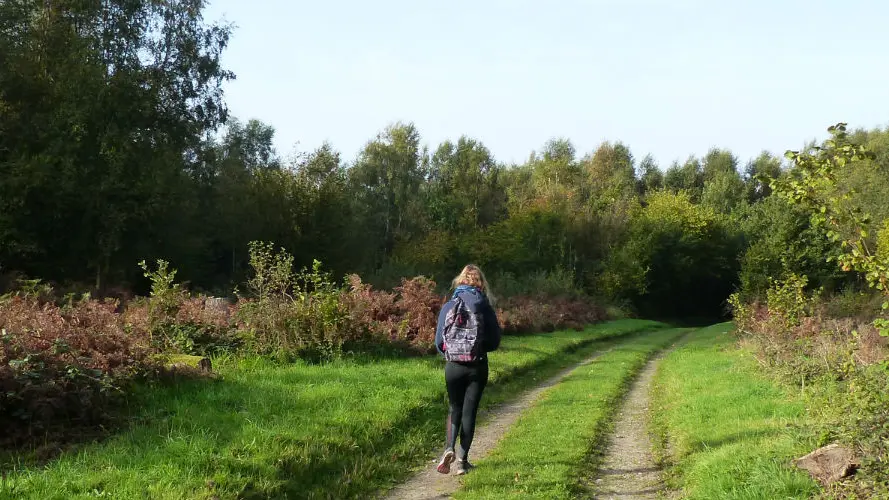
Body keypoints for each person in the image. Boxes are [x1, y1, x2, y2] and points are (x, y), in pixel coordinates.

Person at [434, 264, 502, 475]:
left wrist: (452, 352)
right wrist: (479, 348)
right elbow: (495, 341)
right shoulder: (484, 306)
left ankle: (448, 448)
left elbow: (438, 342)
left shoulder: (449, 304)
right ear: (481, 283)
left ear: (460, 281)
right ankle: (462, 461)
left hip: (453, 366)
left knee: (454, 407)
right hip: (477, 365)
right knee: (469, 412)